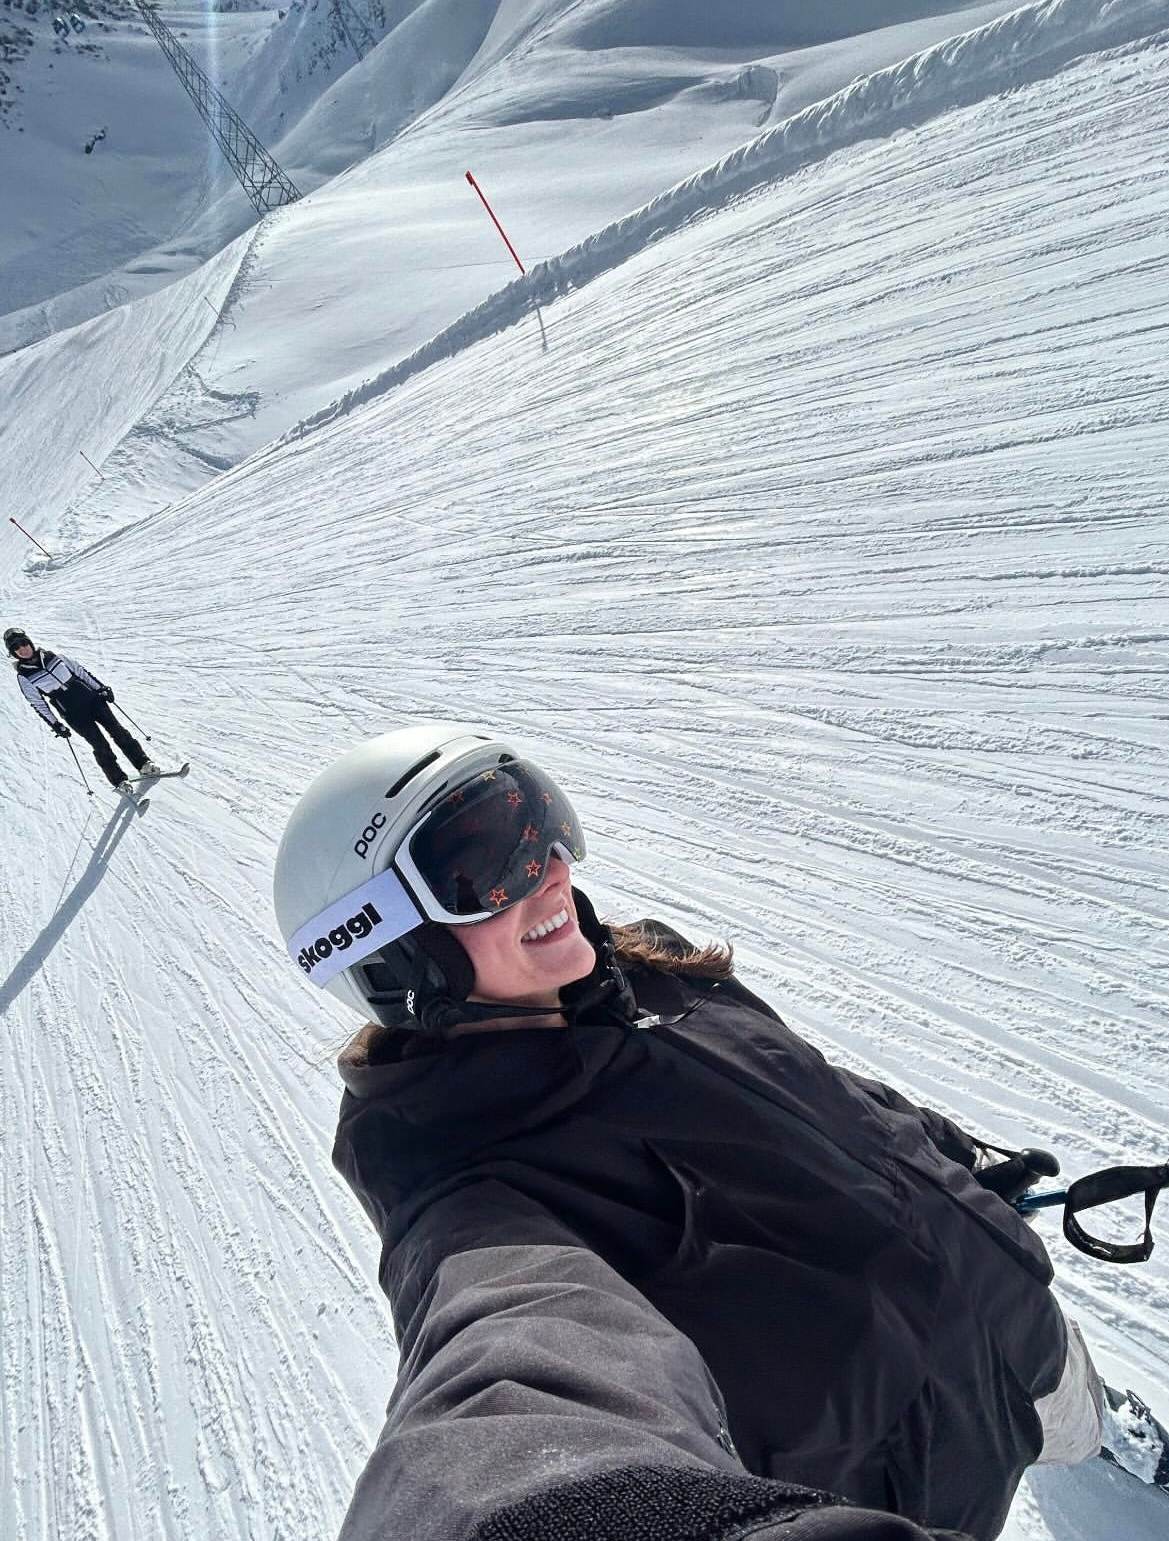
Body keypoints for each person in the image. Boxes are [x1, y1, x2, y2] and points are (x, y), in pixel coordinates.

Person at [272, 724, 1116, 1541]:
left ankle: (1112, 1433)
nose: (550, 867)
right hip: (923, 1469)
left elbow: (816, 1086)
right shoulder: (468, 1193)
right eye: (483, 862)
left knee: (1080, 1416)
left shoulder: (651, 972)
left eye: (539, 819)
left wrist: (949, 1156)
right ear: (387, 953)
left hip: (1013, 1317)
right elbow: (517, 1382)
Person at [4, 626, 161, 793]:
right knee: (99, 745)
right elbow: (38, 703)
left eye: (23, 643)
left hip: (93, 700)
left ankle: (143, 764)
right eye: (16, 648)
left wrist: (101, 688)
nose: (22, 649)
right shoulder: (24, 676)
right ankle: (119, 780)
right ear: (14, 653)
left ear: (29, 642)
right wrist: (55, 724)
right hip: (73, 713)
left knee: (119, 731)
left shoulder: (53, 657)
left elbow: (80, 672)